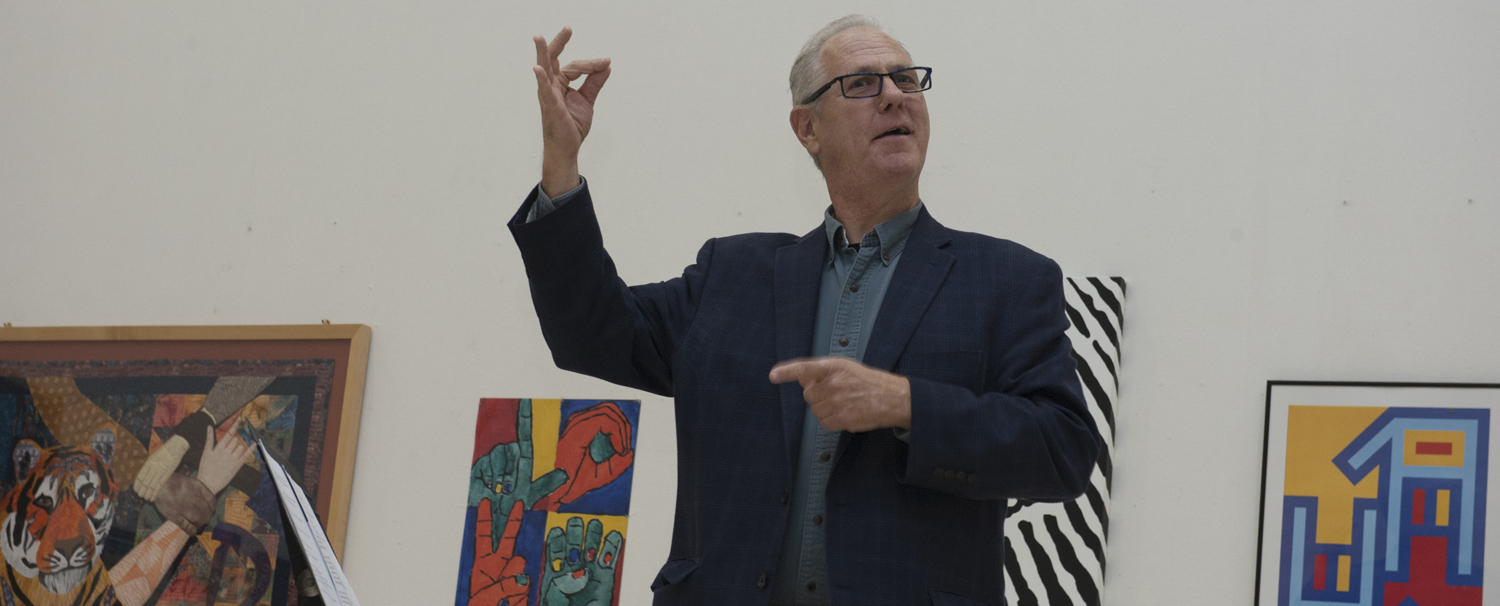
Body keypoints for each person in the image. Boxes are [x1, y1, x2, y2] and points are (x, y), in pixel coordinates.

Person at [509, 15, 1101, 606]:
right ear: (807, 128)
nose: (895, 95)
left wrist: (907, 405)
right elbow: (591, 333)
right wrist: (560, 166)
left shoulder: (1006, 280)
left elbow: (1063, 449)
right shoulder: (732, 275)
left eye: (906, 80)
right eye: (864, 84)